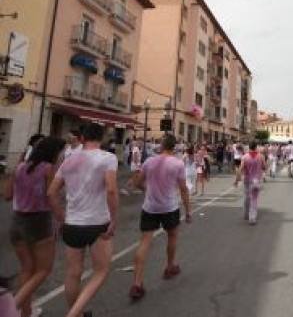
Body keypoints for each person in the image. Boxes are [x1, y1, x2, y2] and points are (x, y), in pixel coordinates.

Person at [47, 123, 118, 317]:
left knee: (72, 273)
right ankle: (73, 314)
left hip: (72, 223)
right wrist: (113, 219)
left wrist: (61, 218)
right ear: (102, 138)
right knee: (101, 271)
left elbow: (51, 192)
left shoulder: (68, 161)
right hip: (97, 222)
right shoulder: (108, 158)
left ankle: (76, 313)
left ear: (82, 139)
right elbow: (111, 190)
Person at [4, 136, 66, 317]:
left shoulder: (20, 167)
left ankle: (26, 312)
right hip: (39, 222)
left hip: (17, 222)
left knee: (27, 269)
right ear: (53, 153)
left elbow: (7, 195)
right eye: (61, 152)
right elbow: (51, 197)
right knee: (43, 270)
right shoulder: (48, 169)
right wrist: (62, 220)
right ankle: (11, 307)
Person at [128, 134, 191, 300]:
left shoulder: (149, 161)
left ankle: (137, 283)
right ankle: (169, 267)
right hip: (169, 207)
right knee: (172, 236)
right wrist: (188, 211)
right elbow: (183, 189)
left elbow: (137, 182)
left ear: (162, 145)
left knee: (145, 242)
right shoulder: (178, 164)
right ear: (175, 147)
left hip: (150, 207)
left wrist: (146, 190)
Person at [241, 141, 265, 225]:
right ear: (256, 147)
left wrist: (237, 180)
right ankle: (252, 218)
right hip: (257, 180)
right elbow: (264, 167)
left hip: (247, 180)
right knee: (254, 199)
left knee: (247, 197)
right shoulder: (261, 156)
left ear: (249, 147)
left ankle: (246, 214)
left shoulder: (244, 157)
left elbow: (241, 168)